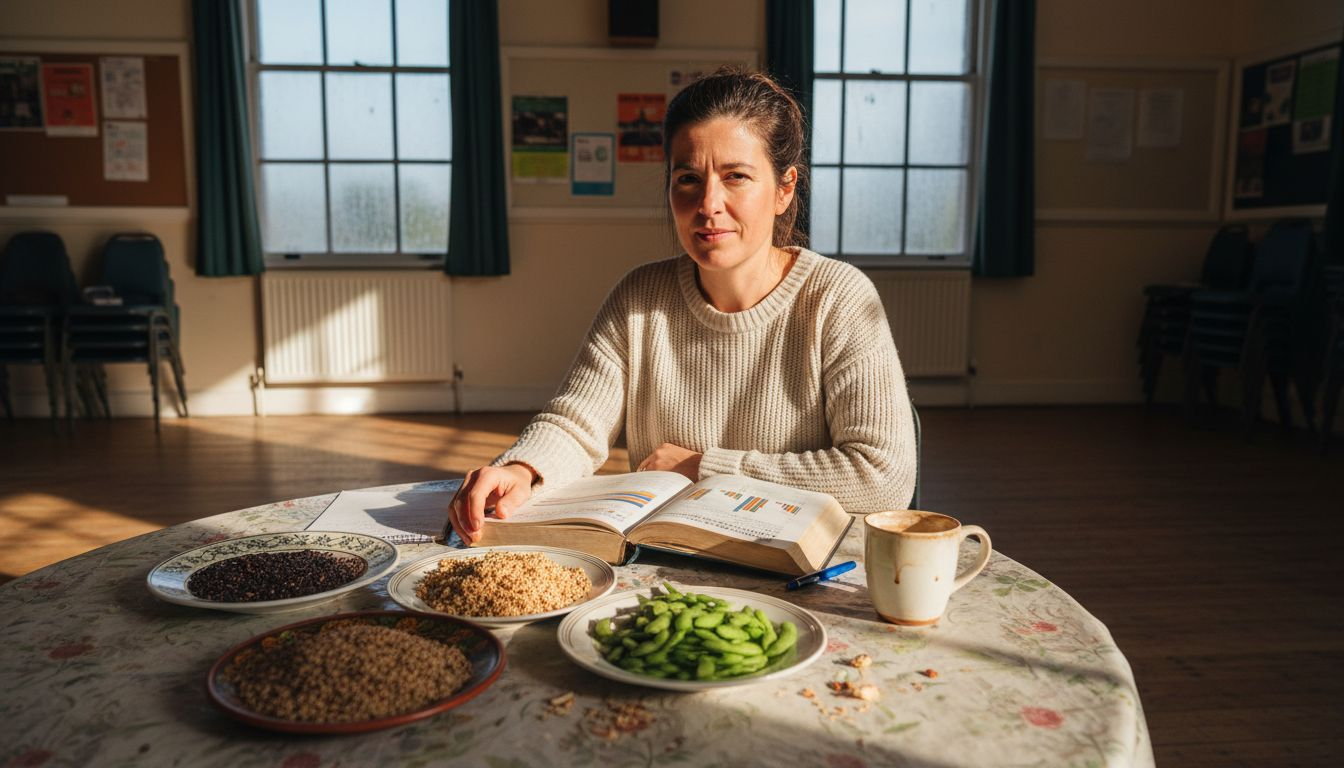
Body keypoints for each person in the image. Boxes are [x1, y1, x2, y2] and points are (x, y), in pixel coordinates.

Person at [449, 68, 917, 544]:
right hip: (668, 561)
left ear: (784, 189)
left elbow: (882, 478)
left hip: (798, 570)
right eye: (688, 178)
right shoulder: (639, 297)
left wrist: (705, 467)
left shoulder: (839, 298)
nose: (708, 203)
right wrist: (524, 468)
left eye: (736, 176)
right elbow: (576, 423)